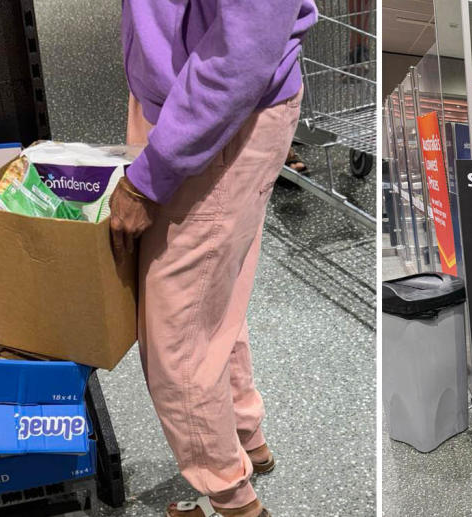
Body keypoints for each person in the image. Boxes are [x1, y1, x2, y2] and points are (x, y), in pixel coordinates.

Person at [109, 2, 318, 517]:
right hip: (192, 101)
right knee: (212, 298)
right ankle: (246, 439)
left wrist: (151, 176)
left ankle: (233, 503)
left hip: (214, 110)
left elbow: (241, 51)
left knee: (176, 333)